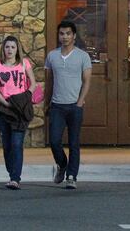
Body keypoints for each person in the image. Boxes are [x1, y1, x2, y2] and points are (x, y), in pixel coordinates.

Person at [45, 20, 92, 189]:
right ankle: (62, 164)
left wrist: (80, 101)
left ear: (74, 36)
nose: (64, 37)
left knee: (74, 142)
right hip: (57, 105)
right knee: (55, 140)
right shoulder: (52, 56)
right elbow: (49, 81)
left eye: (68, 34)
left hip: (74, 106)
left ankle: (72, 176)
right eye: (61, 34)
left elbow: (86, 81)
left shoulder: (83, 56)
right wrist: (46, 102)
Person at [0, 35, 36, 190]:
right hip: (4, 108)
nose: (9, 50)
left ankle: (15, 178)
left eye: (13, 47)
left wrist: (25, 98)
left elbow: (33, 83)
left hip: (20, 109)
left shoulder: (24, 64)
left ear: (17, 49)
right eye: (7, 47)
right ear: (3, 49)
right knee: (7, 144)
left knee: (17, 144)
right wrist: (7, 103)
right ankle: (11, 172)